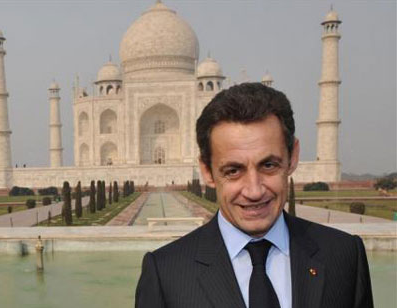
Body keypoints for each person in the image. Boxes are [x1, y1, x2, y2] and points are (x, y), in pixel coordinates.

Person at [135, 83, 373, 308]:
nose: (254, 190)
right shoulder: (167, 274)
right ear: (207, 171)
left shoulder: (343, 256)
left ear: (293, 157)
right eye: (233, 170)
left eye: (268, 165)